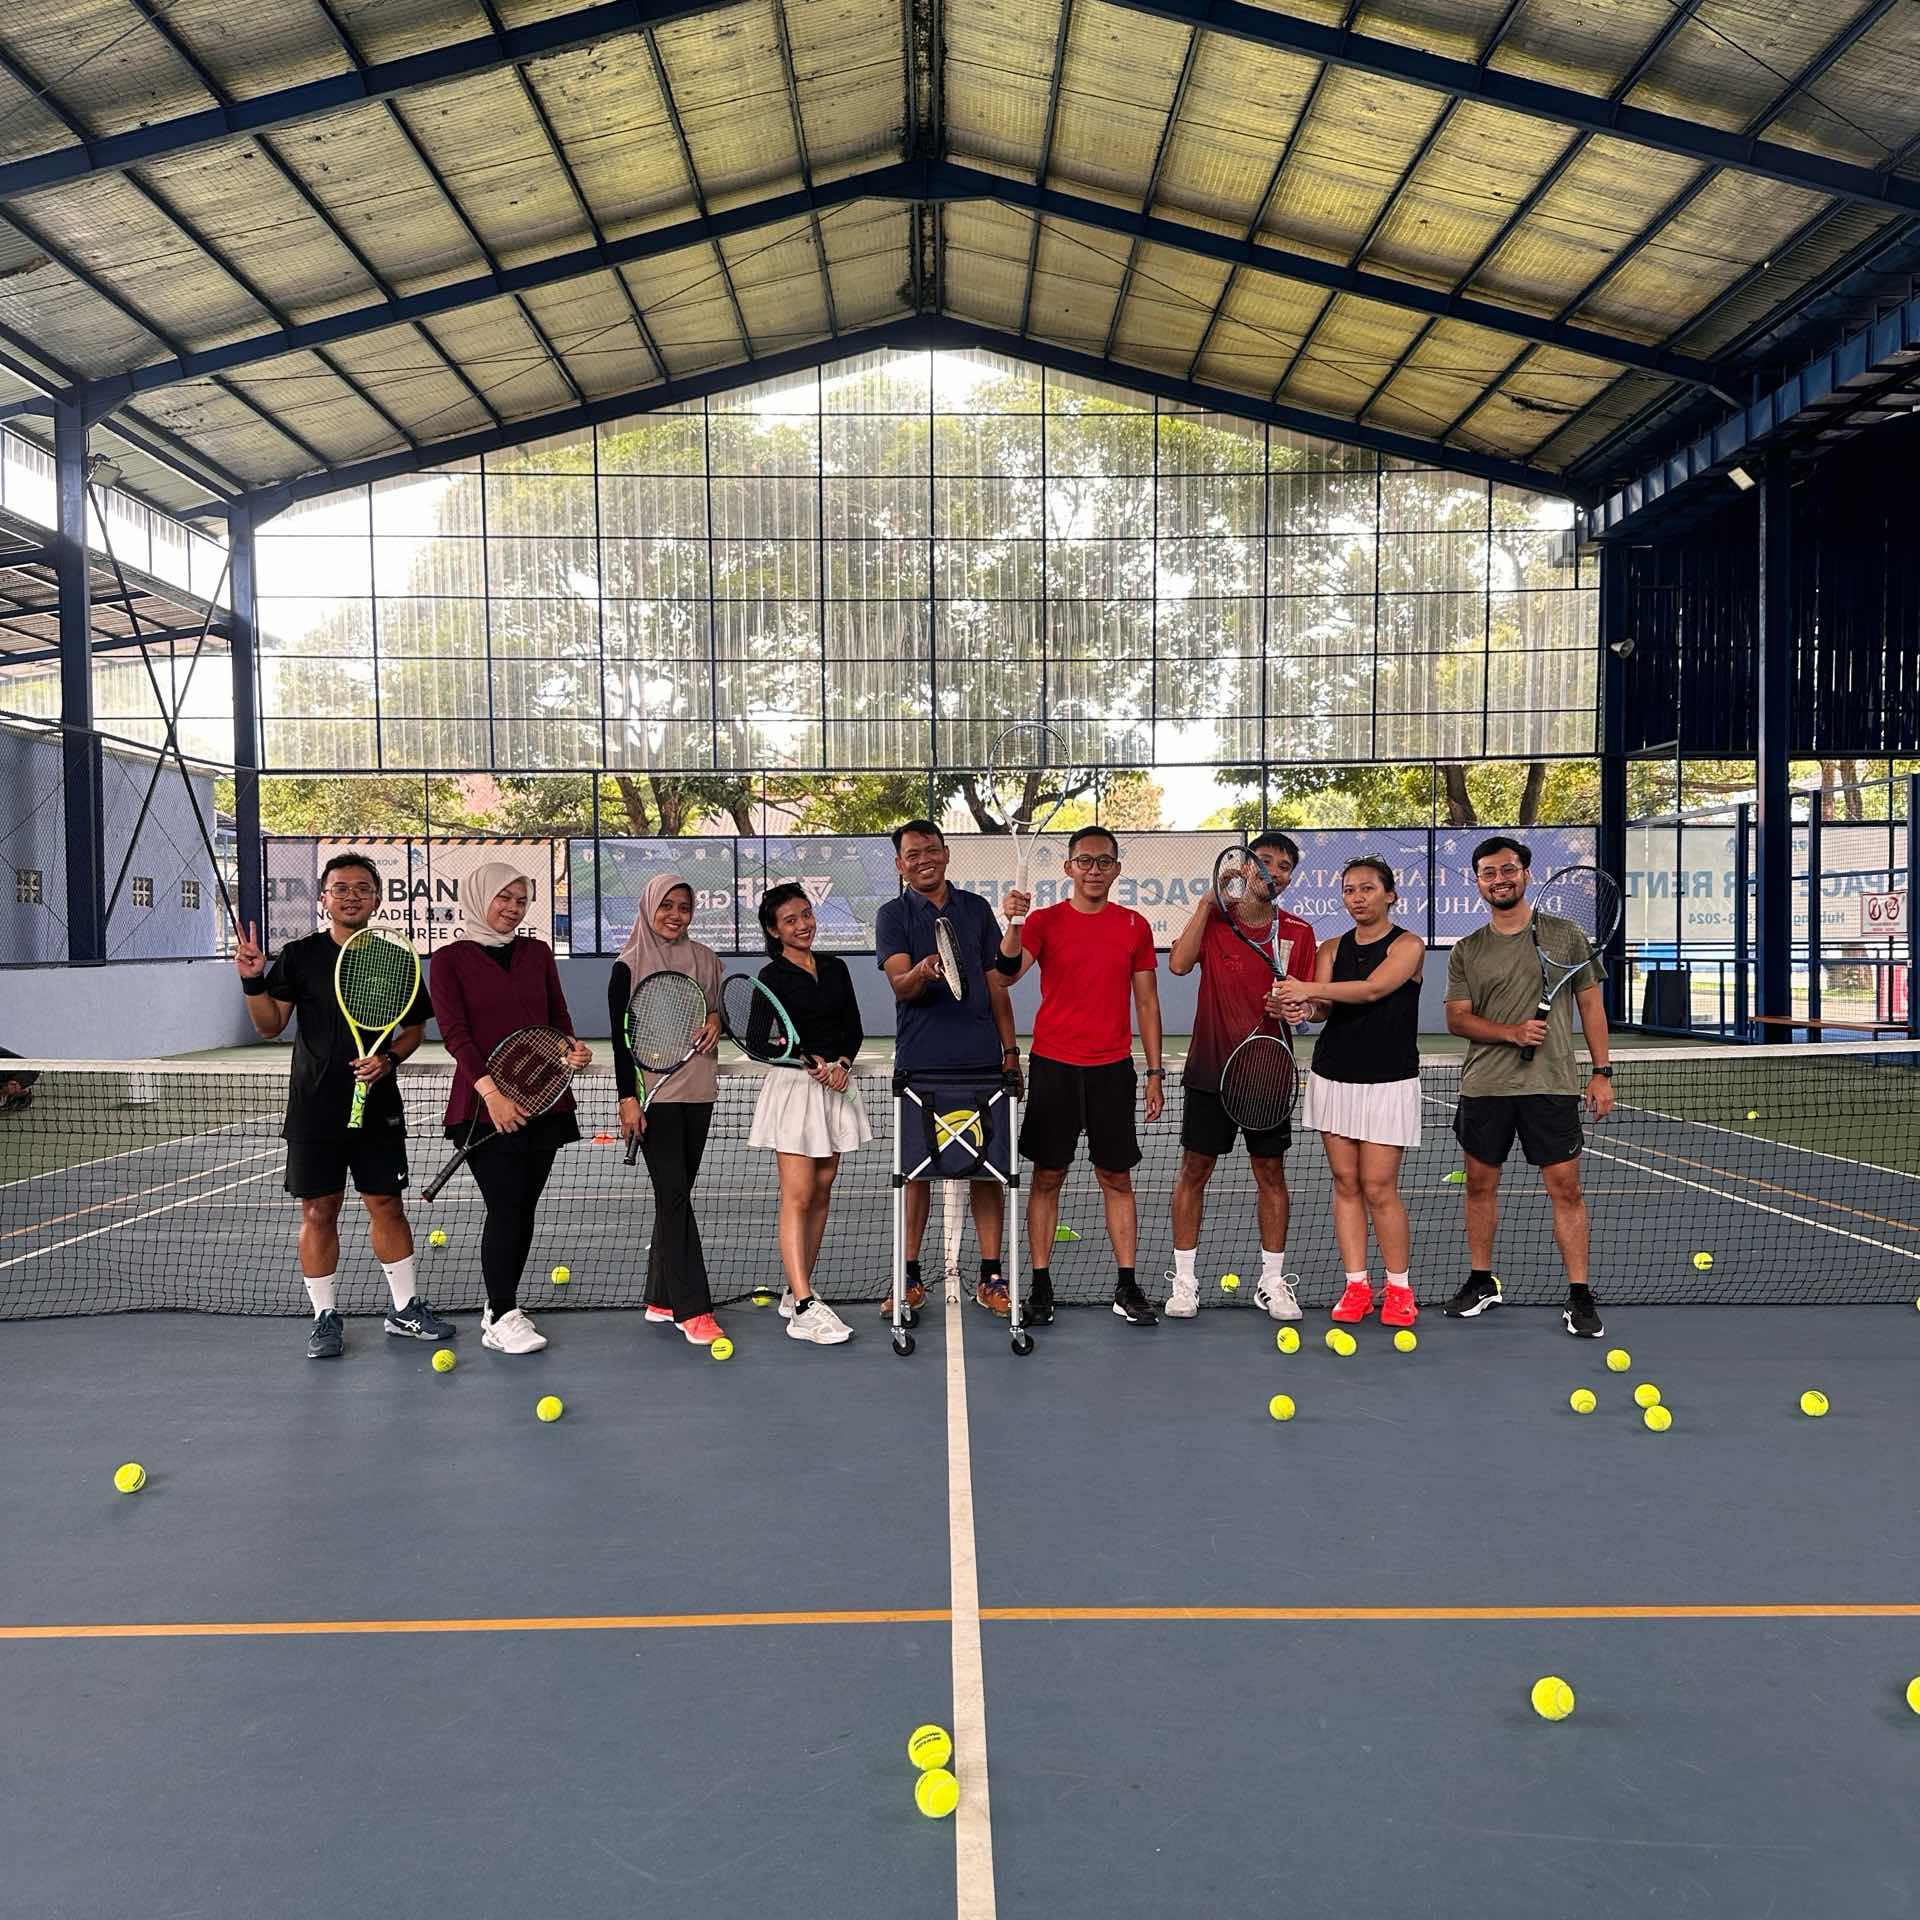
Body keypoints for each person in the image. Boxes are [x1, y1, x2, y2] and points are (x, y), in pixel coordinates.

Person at [235, 852, 450, 1360]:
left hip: (378, 1107)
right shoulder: (299, 956)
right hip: (314, 1106)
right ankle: (325, 1317)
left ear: (377, 899)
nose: (351, 896)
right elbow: (269, 1025)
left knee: (387, 1204)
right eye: (341, 888)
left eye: (362, 888)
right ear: (324, 898)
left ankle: (404, 1309)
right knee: (318, 1210)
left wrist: (389, 1061)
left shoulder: (395, 957)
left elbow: (414, 1030)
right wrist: (252, 980)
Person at [1443, 836, 1615, 1338]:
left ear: (1525, 874)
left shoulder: (1566, 936)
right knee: (1479, 1186)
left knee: (1566, 1189)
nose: (1499, 879)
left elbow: (1591, 1006)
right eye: (1488, 873)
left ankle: (1579, 1294)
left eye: (1507, 870)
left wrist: (1602, 1072)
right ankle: (1481, 1281)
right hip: (1485, 1086)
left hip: (1551, 1084)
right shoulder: (1468, 949)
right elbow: (1457, 1019)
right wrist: (1511, 1033)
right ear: (1478, 882)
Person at [997, 825, 1166, 1327]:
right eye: (1085, 861)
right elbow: (1006, 974)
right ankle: (1040, 1285)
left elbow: (1147, 1001)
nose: (1094, 870)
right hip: (1055, 1067)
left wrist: (1154, 1071)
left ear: (1117, 869)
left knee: (1117, 1177)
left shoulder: (1135, 926)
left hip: (1113, 1070)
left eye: (1104, 861)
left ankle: (1127, 1285)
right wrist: (1013, 924)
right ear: (1069, 867)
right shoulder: (1042, 922)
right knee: (1048, 1176)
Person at [428, 862, 593, 1355]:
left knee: (522, 1208)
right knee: (505, 1206)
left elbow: (557, 1015)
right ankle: (502, 1313)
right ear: (480, 897)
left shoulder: (537, 953)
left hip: (544, 1099)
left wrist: (570, 1049)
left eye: (521, 900)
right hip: (483, 1107)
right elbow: (456, 1035)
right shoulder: (448, 960)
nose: (513, 908)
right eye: (504, 897)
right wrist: (492, 1095)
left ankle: (500, 1305)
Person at [1165, 831, 1316, 1322]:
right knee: (1194, 1171)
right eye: (1263, 861)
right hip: (1211, 1070)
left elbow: (1312, 1005)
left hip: (1267, 1074)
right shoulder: (1215, 920)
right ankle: (1184, 1282)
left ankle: (1272, 1282)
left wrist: (1296, 1007)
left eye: (1283, 866)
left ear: (1290, 878)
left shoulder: (1299, 932)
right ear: (1245, 867)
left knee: (1271, 1174)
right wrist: (1207, 902)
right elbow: (1179, 964)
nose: (1273, 872)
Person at [876, 819, 1021, 1317]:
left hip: (981, 1061)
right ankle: (909, 1276)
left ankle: (991, 1276)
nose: (924, 860)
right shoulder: (893, 915)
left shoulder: (976, 909)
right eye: (913, 854)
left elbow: (998, 983)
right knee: (915, 1170)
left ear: (946, 853)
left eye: (931, 850)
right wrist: (922, 971)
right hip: (921, 1065)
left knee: (988, 1167)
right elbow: (900, 986)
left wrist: (1010, 1052)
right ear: (901, 865)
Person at [1279, 855, 1425, 1328]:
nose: (1357, 898)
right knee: (1345, 1184)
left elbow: (1372, 989)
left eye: (1367, 889)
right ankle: (1356, 1285)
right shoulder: (1330, 948)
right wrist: (1303, 1008)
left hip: (1388, 1080)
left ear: (1390, 895)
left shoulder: (1409, 945)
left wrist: (1306, 988)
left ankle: (1399, 1289)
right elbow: (1324, 1007)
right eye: (1349, 890)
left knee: (1379, 1187)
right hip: (1334, 1075)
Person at [748, 882, 869, 1346]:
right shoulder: (771, 976)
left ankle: (796, 1289)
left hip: (835, 1084)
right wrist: (801, 1059)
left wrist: (842, 1064)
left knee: (821, 1188)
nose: (802, 925)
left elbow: (853, 1028)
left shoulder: (836, 968)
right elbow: (758, 1041)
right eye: (790, 920)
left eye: (806, 915)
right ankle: (803, 1305)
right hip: (795, 1090)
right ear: (774, 930)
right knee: (797, 1195)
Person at [607, 873, 725, 1347]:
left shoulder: (706, 959)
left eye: (684, 907)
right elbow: (621, 1040)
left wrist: (715, 1019)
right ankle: (693, 1310)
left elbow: (716, 1010)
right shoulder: (626, 966)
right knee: (675, 1197)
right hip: (653, 1098)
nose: (676, 915)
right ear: (649, 906)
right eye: (667, 906)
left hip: (699, 1092)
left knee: (674, 1195)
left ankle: (660, 1297)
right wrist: (628, 1099)